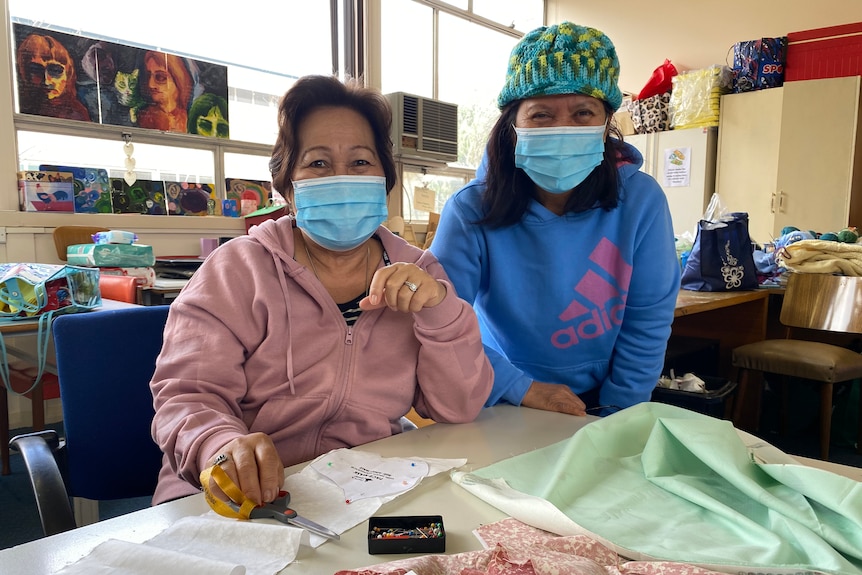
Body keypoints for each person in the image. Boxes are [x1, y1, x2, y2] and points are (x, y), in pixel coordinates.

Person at [150, 74, 493, 506]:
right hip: (237, 497)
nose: (342, 178)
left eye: (361, 162)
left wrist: (440, 310)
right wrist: (218, 444)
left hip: (359, 492)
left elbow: (458, 409)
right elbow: (187, 394)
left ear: (384, 178)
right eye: (318, 163)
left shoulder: (418, 272)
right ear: (288, 186)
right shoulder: (238, 269)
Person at [430, 22, 680, 417]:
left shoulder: (642, 202)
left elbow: (646, 323)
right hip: (499, 391)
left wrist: (616, 413)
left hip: (604, 398)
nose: (563, 128)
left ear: (606, 122)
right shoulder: (470, 210)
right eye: (541, 115)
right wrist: (521, 388)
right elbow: (441, 322)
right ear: (513, 124)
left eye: (583, 112)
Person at [16, 33, 91, 121]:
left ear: (68, 74)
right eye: (36, 70)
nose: (47, 81)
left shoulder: (76, 114)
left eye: (55, 71)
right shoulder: (19, 106)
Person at [137, 50, 193, 132]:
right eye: (149, 76)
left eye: (160, 77)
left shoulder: (192, 119)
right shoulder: (143, 117)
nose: (151, 85)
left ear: (178, 79)